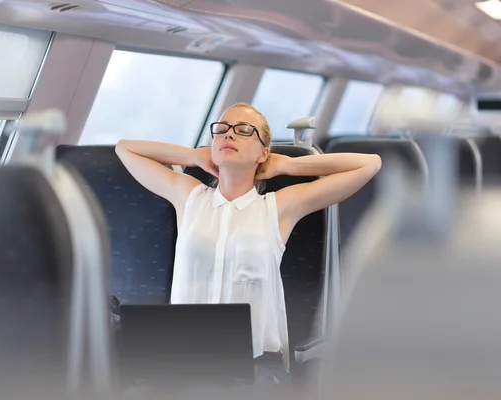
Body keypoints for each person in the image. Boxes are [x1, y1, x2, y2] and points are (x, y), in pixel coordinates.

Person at [115, 102, 381, 386]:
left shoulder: (279, 207)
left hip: (256, 364)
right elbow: (125, 149)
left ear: (263, 153)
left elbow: (370, 164)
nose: (229, 135)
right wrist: (193, 156)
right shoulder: (189, 196)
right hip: (184, 355)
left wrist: (290, 164)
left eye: (243, 130)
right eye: (222, 129)